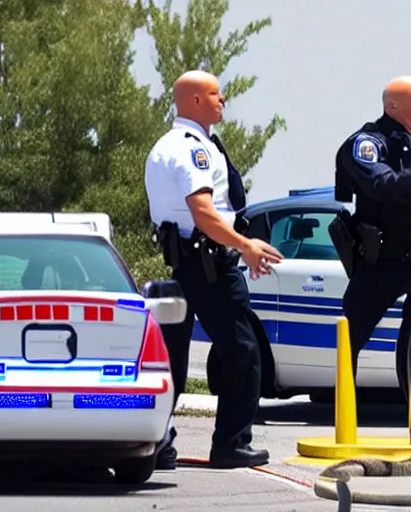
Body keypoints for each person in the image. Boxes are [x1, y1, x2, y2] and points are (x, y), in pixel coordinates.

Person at [144, 69, 284, 470]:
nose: (222, 101)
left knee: (170, 359)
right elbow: (203, 212)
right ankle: (231, 443)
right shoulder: (193, 149)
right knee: (242, 351)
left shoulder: (168, 144)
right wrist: (245, 245)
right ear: (194, 101)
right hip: (209, 268)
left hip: (182, 265)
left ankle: (157, 441)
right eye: (214, 94)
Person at [333, 75, 411, 404]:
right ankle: (343, 421)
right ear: (393, 106)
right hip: (382, 261)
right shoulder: (367, 143)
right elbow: (385, 186)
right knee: (351, 337)